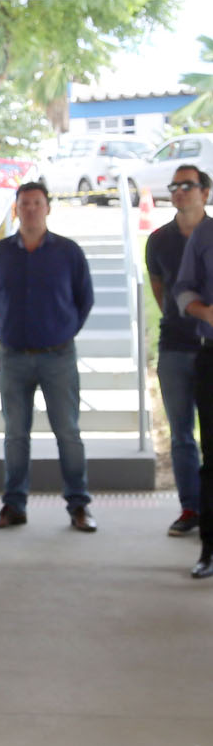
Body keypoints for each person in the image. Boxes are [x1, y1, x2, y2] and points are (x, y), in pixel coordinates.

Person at [0, 181, 96, 532]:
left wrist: (62, 330)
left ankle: (79, 505)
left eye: (37, 202)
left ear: (47, 208)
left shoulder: (68, 252)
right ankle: (14, 506)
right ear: (16, 208)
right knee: (15, 435)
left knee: (68, 432)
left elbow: (84, 299)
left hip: (58, 356)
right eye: (24, 203)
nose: (31, 208)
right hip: (14, 356)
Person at [147, 165, 210, 538]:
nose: (180, 191)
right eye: (175, 186)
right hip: (174, 348)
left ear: (205, 191)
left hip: (211, 345)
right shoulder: (158, 240)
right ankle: (191, 508)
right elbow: (161, 290)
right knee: (182, 434)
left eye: (189, 185)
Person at [167, 194, 213, 576]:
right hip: (210, 352)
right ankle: (209, 552)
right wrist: (205, 311)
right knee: (210, 457)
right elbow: (182, 289)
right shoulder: (205, 235)